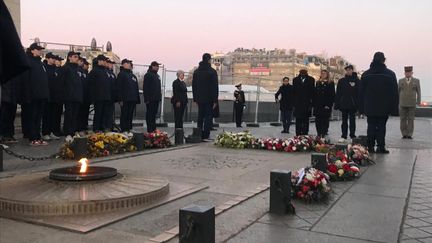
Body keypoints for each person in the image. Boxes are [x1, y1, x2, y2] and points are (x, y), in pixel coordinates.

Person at [359, 52, 399, 153]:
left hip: (369, 106)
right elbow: (394, 93)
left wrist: (361, 108)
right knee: (382, 126)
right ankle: (381, 146)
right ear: (384, 60)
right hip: (384, 106)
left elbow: (361, 93)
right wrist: (394, 109)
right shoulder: (390, 74)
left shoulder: (366, 74)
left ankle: (370, 146)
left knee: (371, 125)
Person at [21, 43, 50, 146]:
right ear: (32, 50)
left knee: (38, 118)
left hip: (41, 95)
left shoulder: (41, 63)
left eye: (41, 49)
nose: (40, 51)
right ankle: (32, 138)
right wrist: (26, 95)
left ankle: (38, 136)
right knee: (32, 117)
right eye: (38, 49)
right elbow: (25, 80)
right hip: (33, 95)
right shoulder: (28, 62)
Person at [192, 53, 219, 141]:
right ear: (209, 60)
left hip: (199, 98)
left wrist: (195, 98)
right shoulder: (212, 72)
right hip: (209, 98)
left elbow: (194, 86)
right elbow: (214, 87)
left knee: (200, 116)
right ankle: (206, 135)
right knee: (208, 116)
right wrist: (215, 100)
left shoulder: (196, 72)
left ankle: (199, 133)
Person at [59, 51, 83, 142]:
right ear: (70, 58)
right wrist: (63, 95)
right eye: (75, 56)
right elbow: (61, 83)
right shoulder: (65, 68)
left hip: (77, 96)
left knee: (75, 116)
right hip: (69, 96)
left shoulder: (78, 69)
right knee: (69, 115)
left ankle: (73, 132)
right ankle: (68, 133)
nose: (77, 58)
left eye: (77, 57)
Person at [335, 65, 360, 140]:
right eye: (347, 70)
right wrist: (337, 104)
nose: (348, 71)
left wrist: (358, 104)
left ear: (352, 70)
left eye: (349, 70)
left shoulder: (357, 80)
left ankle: (352, 134)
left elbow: (359, 93)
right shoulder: (341, 81)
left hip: (353, 104)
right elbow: (338, 93)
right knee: (344, 121)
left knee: (352, 121)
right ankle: (344, 135)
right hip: (344, 104)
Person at [41, 52, 63, 140]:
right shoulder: (44, 68)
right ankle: (45, 132)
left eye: (54, 58)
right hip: (47, 96)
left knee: (53, 116)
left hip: (55, 96)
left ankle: (52, 132)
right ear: (48, 59)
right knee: (46, 116)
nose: (54, 60)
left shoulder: (56, 69)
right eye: (52, 58)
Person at [88, 54, 111, 132]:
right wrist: (93, 96)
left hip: (106, 96)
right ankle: (96, 128)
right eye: (104, 60)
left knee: (104, 114)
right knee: (98, 113)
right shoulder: (94, 71)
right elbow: (90, 85)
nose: (105, 62)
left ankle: (102, 127)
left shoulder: (105, 71)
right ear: (99, 61)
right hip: (98, 97)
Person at [117, 59, 140, 134]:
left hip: (132, 99)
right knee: (125, 114)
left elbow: (136, 88)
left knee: (130, 115)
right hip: (125, 99)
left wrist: (137, 99)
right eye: (128, 63)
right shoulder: (121, 74)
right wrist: (120, 99)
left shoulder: (133, 76)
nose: (129, 64)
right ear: (124, 64)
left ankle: (129, 128)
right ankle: (124, 129)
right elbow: (119, 87)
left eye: (130, 63)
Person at [399, 66, 421, 139]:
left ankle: (409, 134)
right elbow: (398, 91)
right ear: (404, 73)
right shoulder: (401, 81)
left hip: (412, 102)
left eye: (409, 72)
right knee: (403, 118)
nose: (407, 74)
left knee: (411, 119)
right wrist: (397, 101)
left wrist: (418, 101)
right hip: (403, 102)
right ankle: (404, 133)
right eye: (406, 72)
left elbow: (419, 92)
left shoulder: (416, 81)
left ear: (412, 73)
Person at [292, 69, 315, 136]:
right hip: (298, 104)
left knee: (306, 120)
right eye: (301, 73)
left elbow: (312, 92)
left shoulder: (311, 79)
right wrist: (294, 103)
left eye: (304, 73)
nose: (302, 74)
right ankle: (298, 134)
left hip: (307, 103)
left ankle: (305, 134)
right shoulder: (295, 80)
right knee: (298, 120)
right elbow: (294, 92)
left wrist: (312, 103)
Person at [313, 70, 335, 138]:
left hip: (326, 104)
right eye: (322, 73)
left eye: (324, 73)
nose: (323, 74)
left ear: (327, 74)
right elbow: (315, 94)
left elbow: (332, 95)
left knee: (325, 119)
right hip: (318, 105)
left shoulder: (330, 83)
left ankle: (324, 132)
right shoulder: (318, 82)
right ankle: (319, 133)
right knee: (318, 119)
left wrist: (328, 105)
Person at [0, 75, 21, 143]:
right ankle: (4, 135)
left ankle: (10, 135)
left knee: (11, 118)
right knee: (4, 117)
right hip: (5, 98)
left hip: (13, 98)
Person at [143, 61, 162, 133]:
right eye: (156, 66)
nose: (158, 67)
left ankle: (153, 128)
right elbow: (146, 87)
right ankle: (150, 129)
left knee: (154, 114)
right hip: (150, 99)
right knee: (150, 114)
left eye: (158, 66)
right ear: (153, 66)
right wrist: (147, 99)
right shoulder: (148, 75)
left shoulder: (157, 76)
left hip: (156, 98)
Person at [77, 57, 91, 133]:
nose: (87, 66)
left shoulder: (84, 72)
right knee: (79, 114)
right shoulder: (78, 70)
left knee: (84, 114)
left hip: (85, 97)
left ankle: (82, 127)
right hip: (79, 96)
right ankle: (78, 128)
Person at [105, 59, 117, 132]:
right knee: (106, 113)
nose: (111, 65)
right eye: (110, 63)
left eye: (112, 64)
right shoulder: (105, 72)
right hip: (106, 97)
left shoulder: (112, 74)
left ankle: (110, 126)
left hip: (111, 97)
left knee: (110, 113)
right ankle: (105, 127)